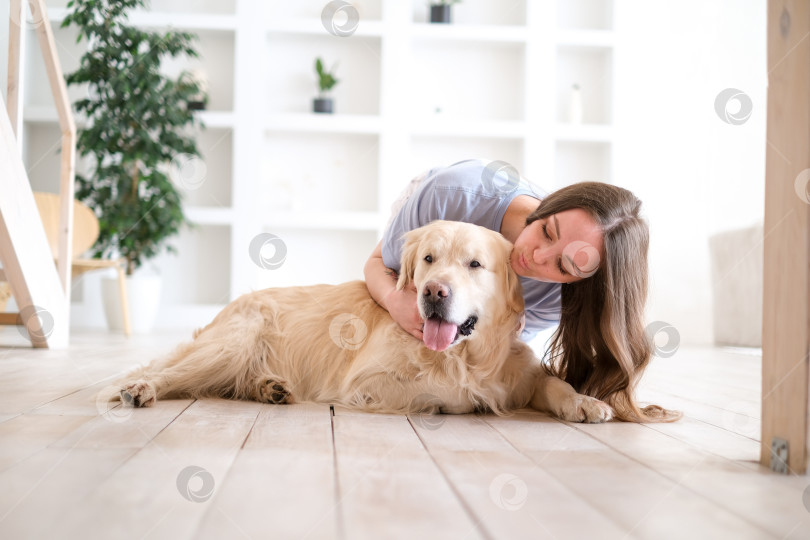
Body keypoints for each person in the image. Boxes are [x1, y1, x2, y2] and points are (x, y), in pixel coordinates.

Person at [364, 159, 679, 422]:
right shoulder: (450, 195)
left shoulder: (558, 298)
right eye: (546, 231)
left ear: (580, 281)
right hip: (444, 193)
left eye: (563, 266)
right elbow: (377, 263)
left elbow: (492, 357)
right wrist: (394, 299)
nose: (537, 257)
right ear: (549, 204)